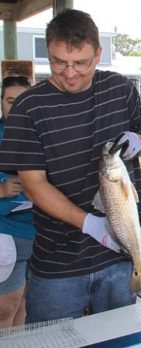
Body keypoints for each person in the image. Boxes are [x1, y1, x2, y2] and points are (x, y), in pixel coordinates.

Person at [0, 9, 141, 324]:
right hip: (57, 265)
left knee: (121, 338)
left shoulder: (119, 89)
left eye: (81, 63)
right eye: (59, 62)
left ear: (98, 53)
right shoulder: (28, 107)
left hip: (119, 256)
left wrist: (140, 143)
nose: (70, 72)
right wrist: (90, 223)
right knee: (53, 342)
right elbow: (33, 184)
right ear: (48, 53)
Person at [0, 76, 35, 329]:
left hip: (39, 234)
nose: (16, 106)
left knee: (25, 304)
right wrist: (2, 190)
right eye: (10, 100)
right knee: (5, 309)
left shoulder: (43, 133)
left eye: (23, 100)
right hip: (6, 234)